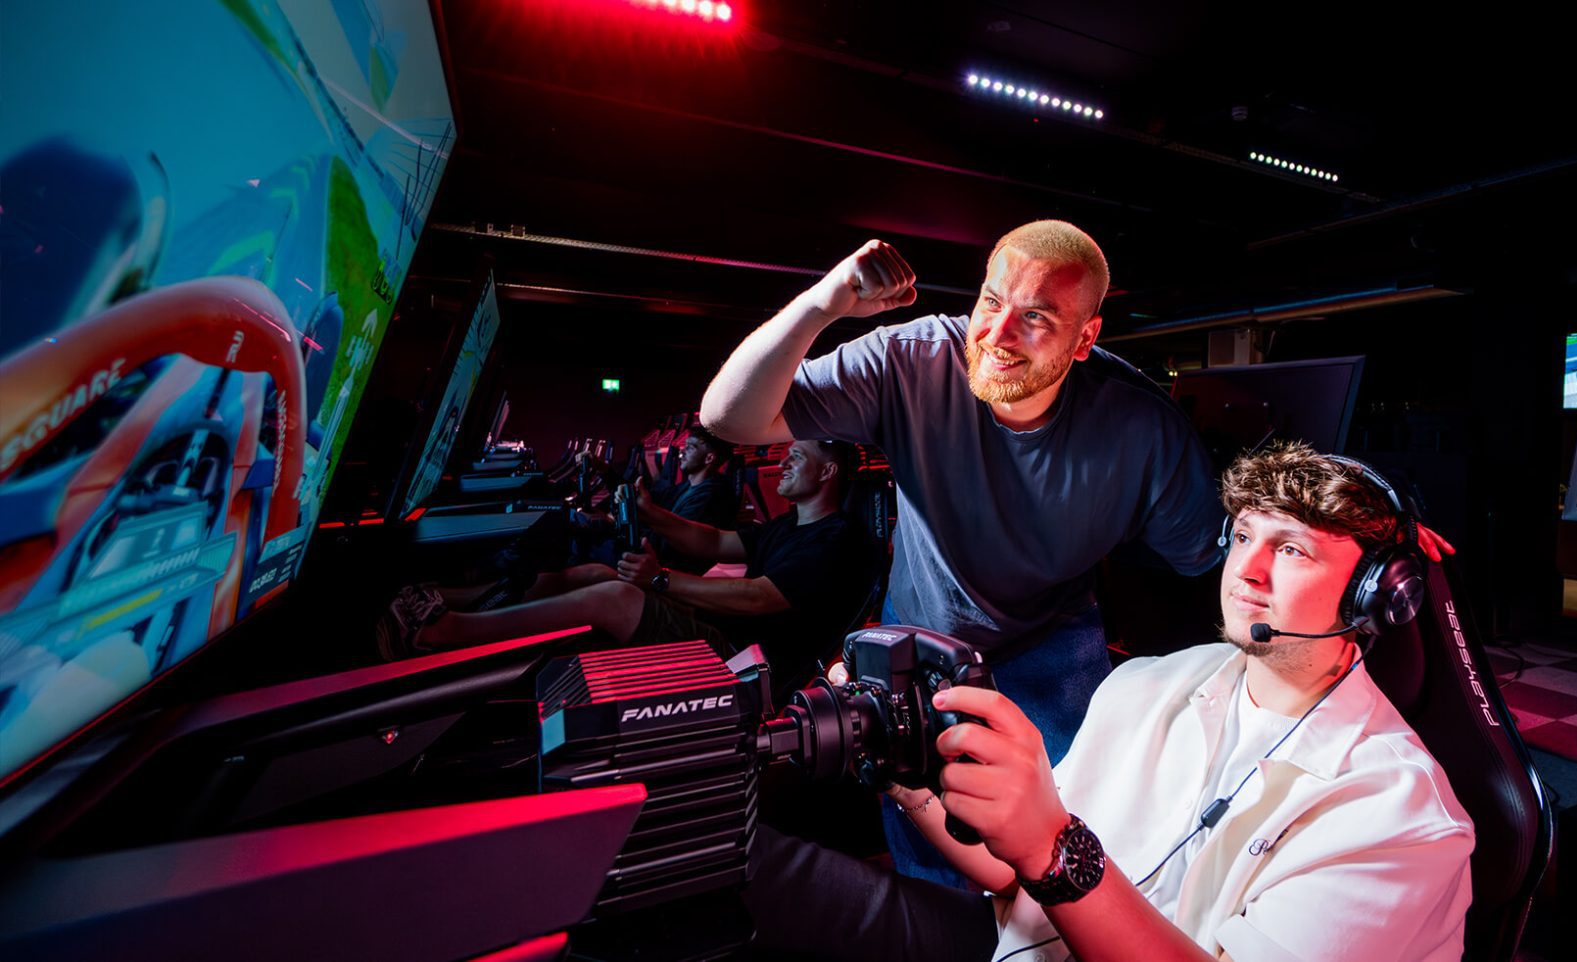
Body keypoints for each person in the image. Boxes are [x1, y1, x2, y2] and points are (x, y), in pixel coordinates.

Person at [702, 220, 1452, 885]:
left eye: (1036, 317)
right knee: (932, 856)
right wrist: (823, 302)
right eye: (992, 302)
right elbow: (728, 418)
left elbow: (1222, 549)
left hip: (1049, 642)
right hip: (923, 633)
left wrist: (1356, 533)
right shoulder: (912, 359)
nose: (998, 334)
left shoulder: (1139, 427)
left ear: (1085, 339)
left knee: (1068, 840)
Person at [743, 441, 1475, 962]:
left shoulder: (1400, 820)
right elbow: (1012, 871)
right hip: (1020, 938)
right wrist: (898, 771)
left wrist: (1052, 849)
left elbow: (1047, 858)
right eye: (1244, 535)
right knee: (744, 867)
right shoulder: (1147, 684)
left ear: (1377, 594)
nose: (1246, 570)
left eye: (1291, 549)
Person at [380, 439, 876, 695]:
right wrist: (651, 512)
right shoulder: (788, 524)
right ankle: (456, 605)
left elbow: (760, 597)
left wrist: (659, 578)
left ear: (828, 472)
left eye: (796, 457)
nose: (782, 464)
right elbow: (713, 540)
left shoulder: (835, 539)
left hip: (744, 662)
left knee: (616, 595)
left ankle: (442, 635)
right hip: (725, 632)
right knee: (597, 574)